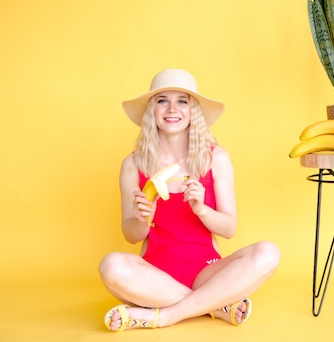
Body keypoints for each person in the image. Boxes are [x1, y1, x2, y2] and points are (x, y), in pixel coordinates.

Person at [99, 68, 281, 332]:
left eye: (182, 101)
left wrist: (202, 210)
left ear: (193, 110)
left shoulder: (216, 158)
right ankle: (216, 306)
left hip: (208, 271)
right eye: (162, 100)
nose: (172, 109)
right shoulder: (132, 164)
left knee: (268, 252)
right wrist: (141, 219)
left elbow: (229, 229)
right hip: (154, 276)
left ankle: (163, 316)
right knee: (111, 265)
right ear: (152, 110)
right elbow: (131, 235)